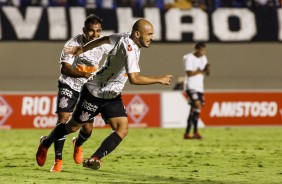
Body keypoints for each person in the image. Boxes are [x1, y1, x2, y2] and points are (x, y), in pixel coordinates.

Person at [36, 18, 173, 171]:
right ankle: (46, 142)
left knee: (122, 129)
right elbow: (134, 79)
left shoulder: (124, 36)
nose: (152, 38)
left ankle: (95, 158)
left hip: (112, 94)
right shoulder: (130, 49)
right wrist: (158, 79)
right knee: (73, 127)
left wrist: (82, 49)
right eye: (149, 34)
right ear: (137, 34)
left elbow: (103, 40)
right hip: (94, 92)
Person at [51, 14, 110, 172]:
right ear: (84, 30)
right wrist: (83, 74)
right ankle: (58, 160)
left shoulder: (103, 44)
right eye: (90, 31)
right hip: (68, 84)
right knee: (63, 120)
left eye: (97, 31)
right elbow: (65, 68)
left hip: (88, 89)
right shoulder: (72, 44)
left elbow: (120, 53)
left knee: (87, 129)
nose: (94, 34)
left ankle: (78, 144)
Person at [183, 42, 210, 140]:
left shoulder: (204, 58)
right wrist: (201, 71)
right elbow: (189, 73)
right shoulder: (188, 57)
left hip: (200, 87)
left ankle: (189, 133)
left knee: (195, 109)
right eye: (202, 49)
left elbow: (207, 73)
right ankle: (195, 132)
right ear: (197, 49)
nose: (203, 52)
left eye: (204, 50)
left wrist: (207, 69)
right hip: (191, 86)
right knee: (197, 105)